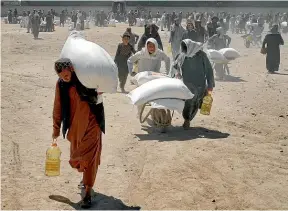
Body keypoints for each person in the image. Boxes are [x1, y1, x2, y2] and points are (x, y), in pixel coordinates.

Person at [52, 58, 105, 209]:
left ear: (71, 69)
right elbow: (57, 106)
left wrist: (99, 90)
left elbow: (99, 92)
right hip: (75, 127)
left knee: (90, 158)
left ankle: (88, 193)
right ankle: (85, 179)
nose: (64, 77)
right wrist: (56, 129)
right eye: (61, 75)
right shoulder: (61, 85)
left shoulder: (85, 80)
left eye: (66, 74)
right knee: (76, 158)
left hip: (93, 123)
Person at [170, 39, 215, 129]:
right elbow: (175, 65)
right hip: (187, 83)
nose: (184, 50)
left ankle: (188, 119)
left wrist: (210, 85)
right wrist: (177, 73)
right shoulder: (182, 55)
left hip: (200, 84)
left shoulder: (202, 56)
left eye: (185, 48)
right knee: (189, 101)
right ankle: (187, 119)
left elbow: (209, 70)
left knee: (196, 102)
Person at [127, 38, 170, 119]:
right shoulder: (141, 53)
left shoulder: (159, 53)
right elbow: (130, 60)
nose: (151, 48)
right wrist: (131, 72)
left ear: (156, 46)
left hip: (154, 78)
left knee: (157, 96)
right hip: (142, 79)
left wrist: (167, 73)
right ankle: (139, 112)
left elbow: (167, 60)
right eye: (149, 46)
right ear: (146, 46)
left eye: (153, 46)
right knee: (141, 97)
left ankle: (155, 112)